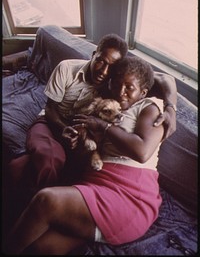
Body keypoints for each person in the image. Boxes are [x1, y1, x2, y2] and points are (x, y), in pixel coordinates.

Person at [5, 55, 168, 255]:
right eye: (117, 84)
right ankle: (92, 233)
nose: (120, 92)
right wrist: (79, 141)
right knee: (39, 246)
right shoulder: (105, 104)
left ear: (143, 92)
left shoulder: (150, 108)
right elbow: (91, 151)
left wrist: (104, 126)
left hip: (128, 194)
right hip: (95, 182)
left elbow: (142, 152)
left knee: (45, 200)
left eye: (129, 88)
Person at [8, 33, 176, 191]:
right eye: (101, 61)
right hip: (51, 122)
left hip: (81, 134)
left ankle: (24, 167)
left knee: (73, 170)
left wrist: (171, 109)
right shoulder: (66, 68)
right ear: (94, 54)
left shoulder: (116, 84)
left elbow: (166, 78)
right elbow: (50, 109)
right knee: (51, 158)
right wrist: (64, 129)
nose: (103, 71)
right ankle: (41, 200)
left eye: (111, 67)